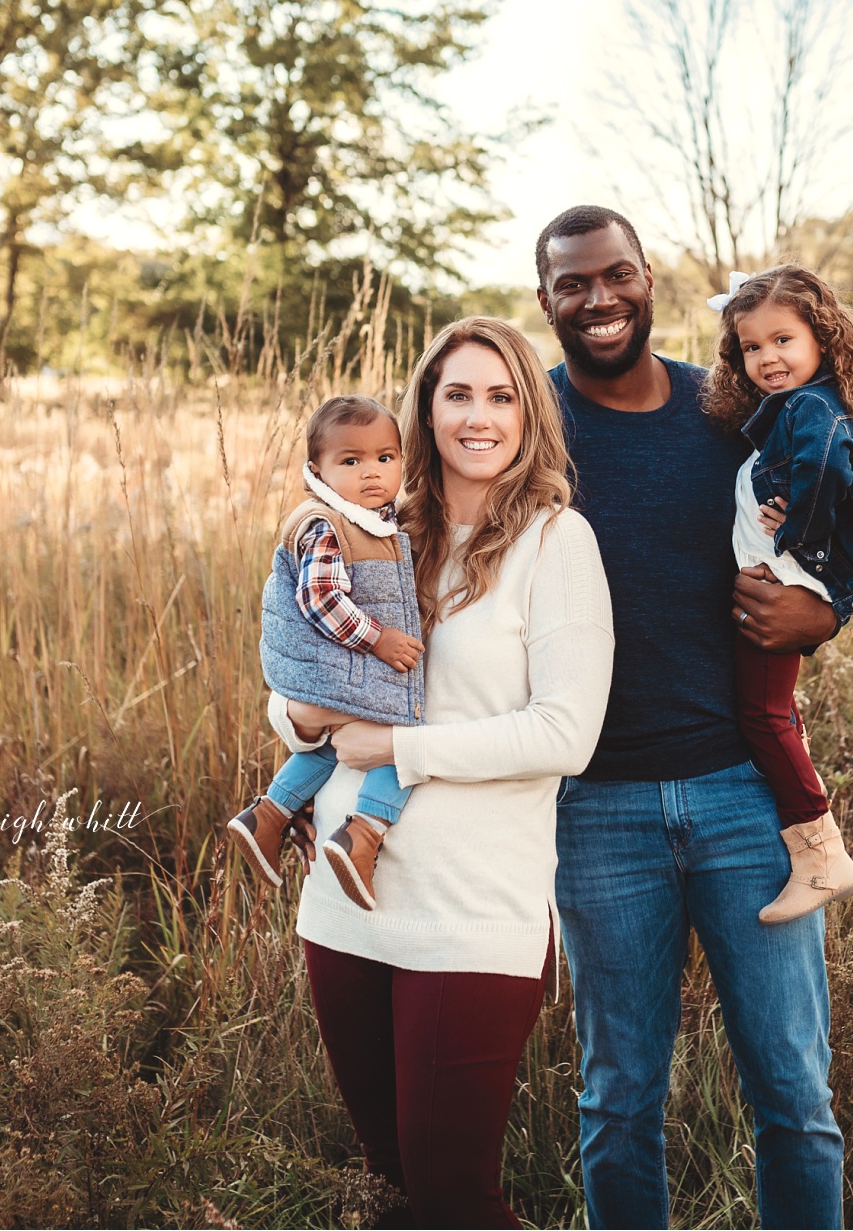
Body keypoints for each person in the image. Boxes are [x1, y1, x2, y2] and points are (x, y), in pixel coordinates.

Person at [536, 206, 849, 1228]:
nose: (596, 300)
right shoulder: (523, 425)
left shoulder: (724, 408)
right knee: (618, 1101)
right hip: (592, 809)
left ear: (647, 282)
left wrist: (828, 610)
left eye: (613, 275)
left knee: (794, 1099)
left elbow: (827, 514)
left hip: (738, 797)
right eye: (571, 284)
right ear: (544, 299)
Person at [265, 317, 614, 1228]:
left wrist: (399, 749)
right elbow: (291, 670)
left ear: (530, 411)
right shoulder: (370, 527)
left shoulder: (557, 542)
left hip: (471, 909)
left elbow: (565, 733)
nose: (478, 417)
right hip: (345, 902)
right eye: (456, 393)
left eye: (501, 395)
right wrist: (296, 718)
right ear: (427, 408)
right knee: (389, 1181)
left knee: (455, 1196)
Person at [700, 265, 853, 923]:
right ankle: (807, 830)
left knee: (761, 713)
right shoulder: (788, 409)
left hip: (788, 584)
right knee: (774, 708)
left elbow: (826, 465)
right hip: (780, 578)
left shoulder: (813, 407)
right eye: (752, 347)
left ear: (821, 337)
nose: (767, 358)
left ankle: (820, 855)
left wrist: (797, 540)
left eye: (783, 340)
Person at [225, 395, 428, 910]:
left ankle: (269, 815)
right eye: (351, 461)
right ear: (317, 470)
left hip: (337, 669)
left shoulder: (375, 519)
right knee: (401, 730)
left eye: (386, 458)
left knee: (330, 743)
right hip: (341, 662)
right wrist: (378, 638)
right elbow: (320, 598)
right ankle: (365, 831)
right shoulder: (328, 524)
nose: (372, 473)